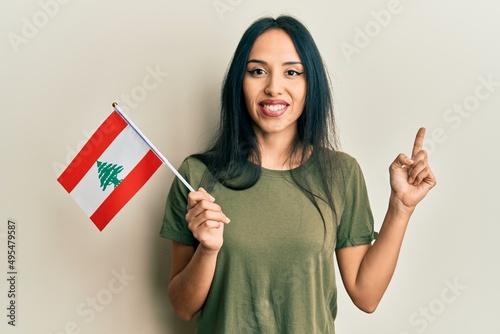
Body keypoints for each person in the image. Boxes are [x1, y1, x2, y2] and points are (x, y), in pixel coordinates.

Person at [159, 15, 436, 334]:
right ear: (240, 82)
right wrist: (208, 249)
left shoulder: (341, 173)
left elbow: (366, 295)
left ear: (310, 84)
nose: (274, 87)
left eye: (292, 72)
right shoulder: (197, 176)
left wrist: (401, 208)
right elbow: (182, 307)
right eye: (257, 71)